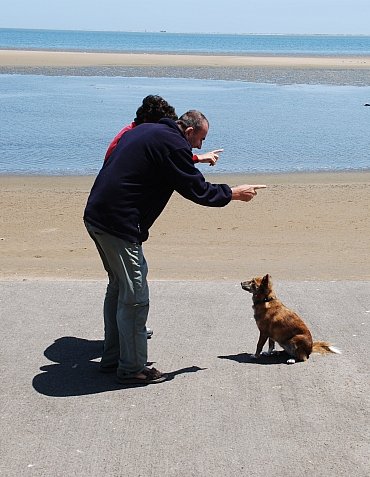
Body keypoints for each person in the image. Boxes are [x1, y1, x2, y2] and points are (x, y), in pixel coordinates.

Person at [84, 110, 266, 385]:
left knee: (118, 289)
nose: (200, 146)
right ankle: (132, 368)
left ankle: (113, 358)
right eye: (201, 139)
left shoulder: (149, 130)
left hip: (96, 216)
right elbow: (196, 189)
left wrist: (195, 161)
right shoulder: (173, 143)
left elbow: (163, 165)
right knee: (135, 298)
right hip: (118, 225)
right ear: (189, 131)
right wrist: (233, 193)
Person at [104, 95, 223, 166]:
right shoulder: (129, 138)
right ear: (146, 122)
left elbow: (166, 157)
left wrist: (196, 158)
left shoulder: (137, 135)